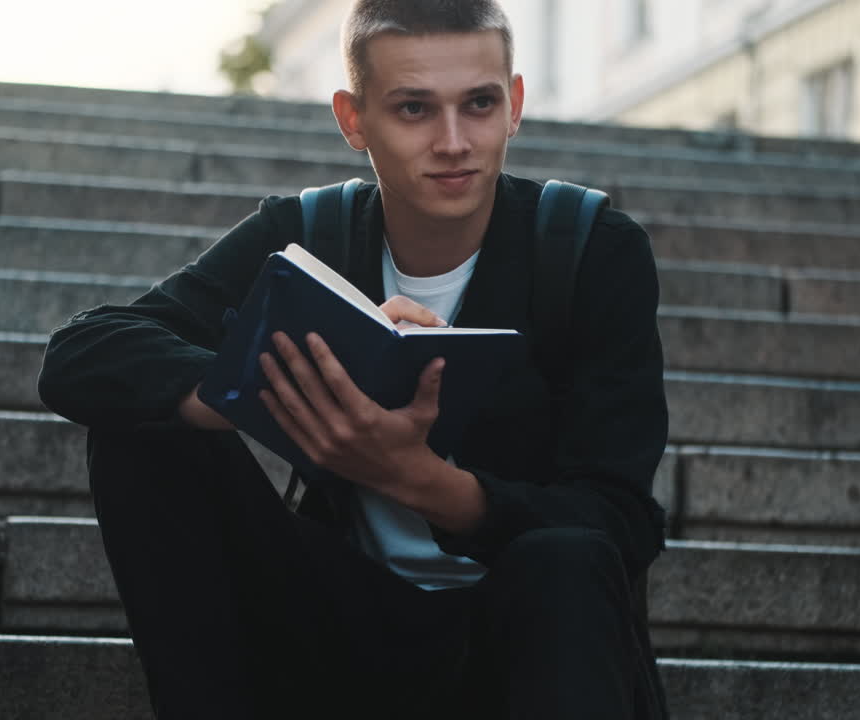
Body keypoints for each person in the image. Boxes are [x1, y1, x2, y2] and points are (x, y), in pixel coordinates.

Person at [38, 1, 670, 717]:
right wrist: (283, 384)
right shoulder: (311, 235)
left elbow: (622, 522)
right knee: (146, 432)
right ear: (353, 119)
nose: (454, 142)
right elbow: (82, 354)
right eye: (413, 109)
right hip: (336, 632)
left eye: (480, 104)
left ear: (515, 104)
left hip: (529, 640)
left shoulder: (590, 249)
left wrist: (418, 480)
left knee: (568, 557)